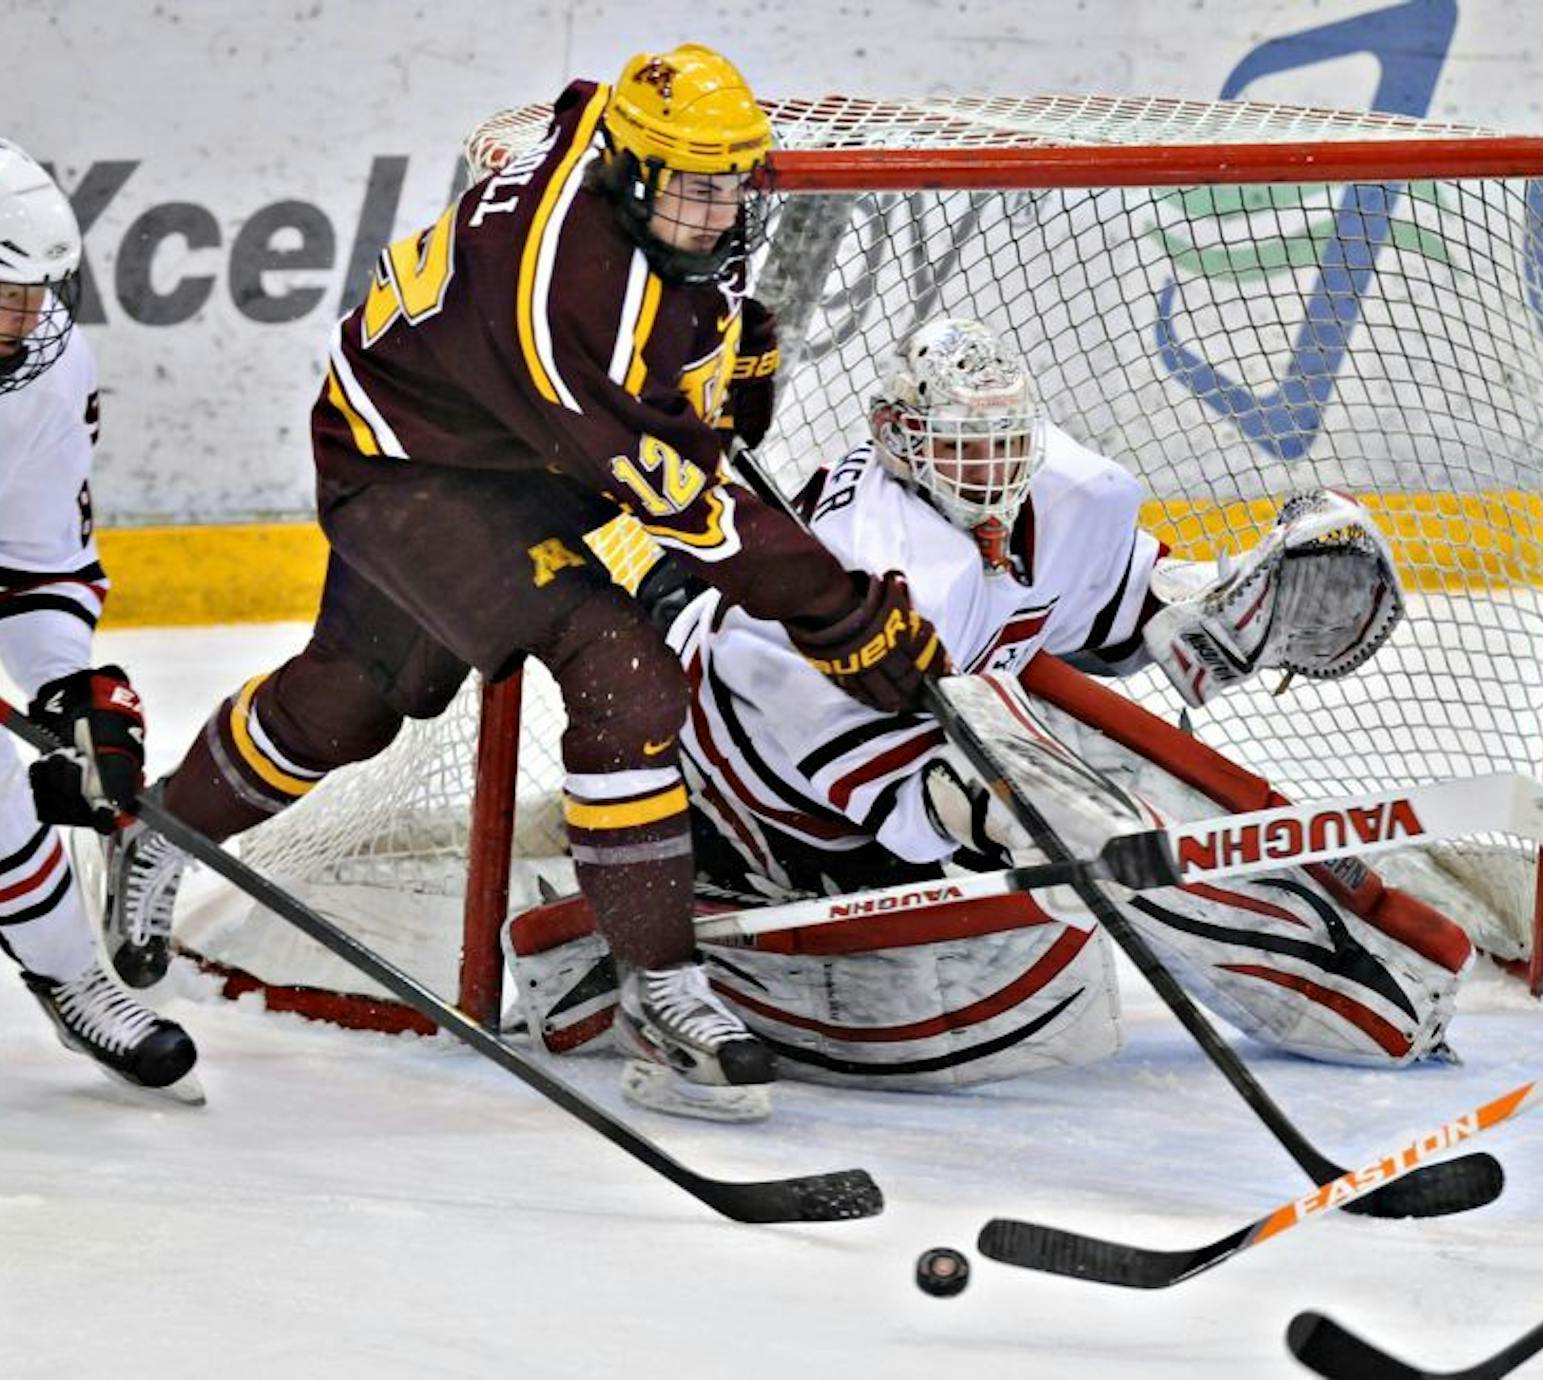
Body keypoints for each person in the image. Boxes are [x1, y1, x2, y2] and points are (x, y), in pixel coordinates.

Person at [103, 45, 944, 1124]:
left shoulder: (624, 162)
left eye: (734, 181)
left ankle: (161, 826)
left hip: (506, 446)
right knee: (626, 673)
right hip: (416, 473)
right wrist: (843, 615)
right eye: (695, 186)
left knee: (349, 699)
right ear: (635, 179)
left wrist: (726, 363)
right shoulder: (567, 306)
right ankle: (663, 992)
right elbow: (692, 508)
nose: (720, 208)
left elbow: (581, 100)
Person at [500, 317, 1488, 1094]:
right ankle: (633, 952)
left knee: (1081, 773)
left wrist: (1198, 610)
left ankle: (1354, 977)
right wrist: (988, 807)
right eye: (966, 447)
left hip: (909, 740)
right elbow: (855, 773)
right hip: (745, 793)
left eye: (1007, 440)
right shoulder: (865, 559)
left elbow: (1091, 617)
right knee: (1033, 916)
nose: (996, 468)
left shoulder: (1065, 491)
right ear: (900, 440)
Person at [0, 137, 196, 1102]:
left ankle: (74, 979)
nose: (32, 322)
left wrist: (68, 687)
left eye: (42, 294)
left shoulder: (47, 370)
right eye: (6, 295)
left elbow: (29, 563)